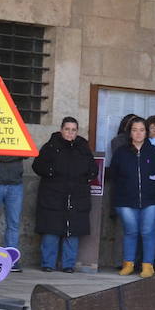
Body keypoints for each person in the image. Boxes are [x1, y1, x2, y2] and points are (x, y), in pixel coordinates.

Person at [32, 117, 96, 273]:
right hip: (53, 194)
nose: (70, 133)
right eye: (67, 129)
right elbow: (38, 165)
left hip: (76, 195)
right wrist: (52, 172)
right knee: (51, 231)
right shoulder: (51, 146)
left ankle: (68, 264)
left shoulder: (83, 147)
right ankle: (48, 263)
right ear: (61, 130)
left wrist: (85, 178)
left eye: (73, 130)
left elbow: (92, 168)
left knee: (72, 232)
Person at [109, 116, 155, 278]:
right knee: (131, 231)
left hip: (152, 200)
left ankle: (148, 265)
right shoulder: (121, 152)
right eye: (135, 130)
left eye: (142, 130)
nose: (138, 133)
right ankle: (128, 264)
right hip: (126, 200)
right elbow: (114, 175)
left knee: (148, 231)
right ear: (130, 133)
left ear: (146, 132)